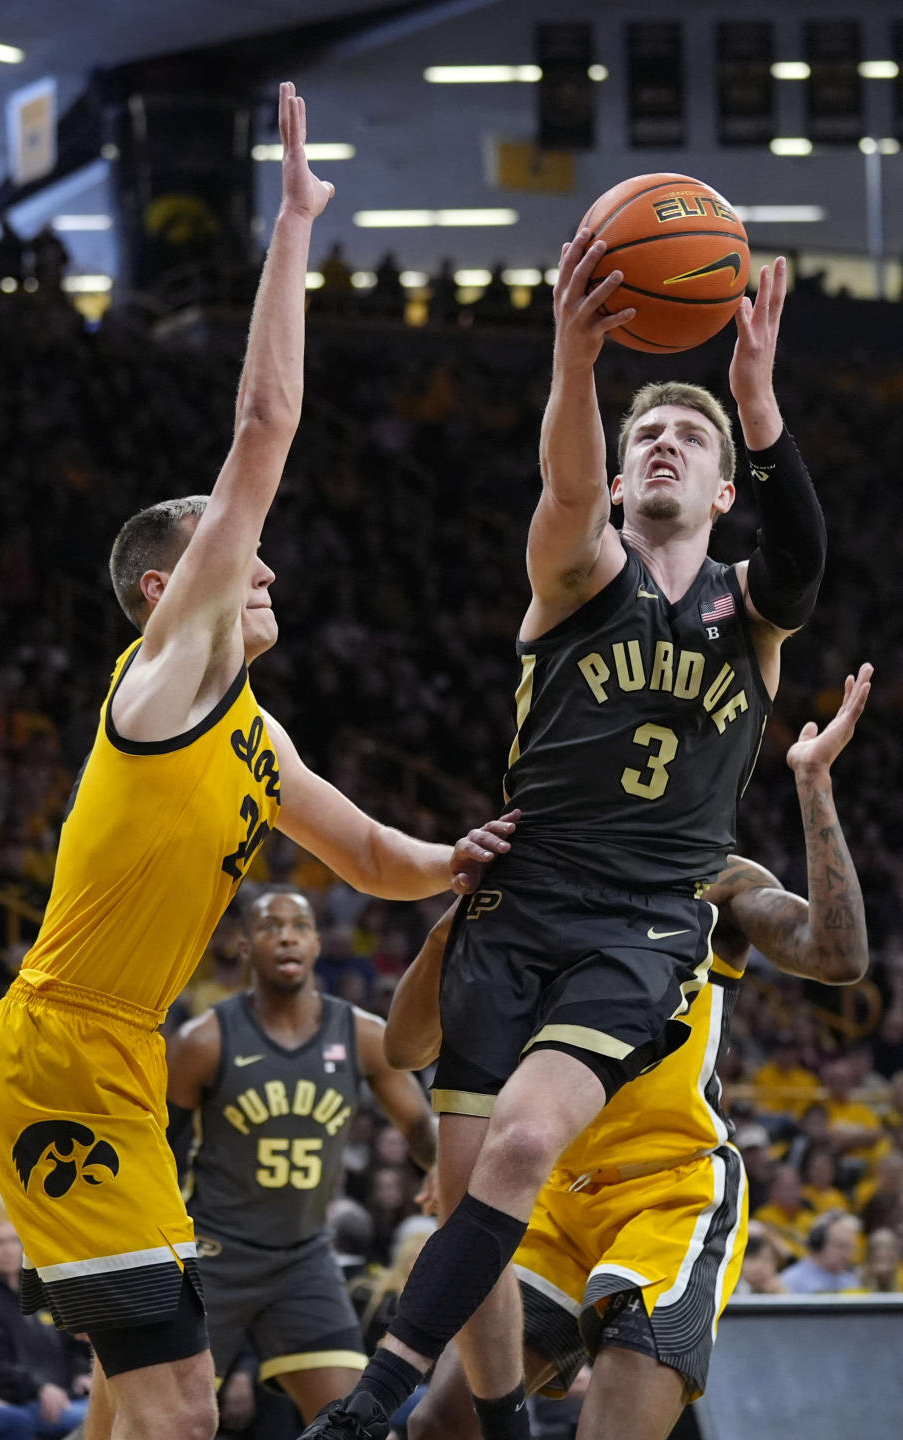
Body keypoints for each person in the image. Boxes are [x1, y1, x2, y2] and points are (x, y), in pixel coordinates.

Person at [0, 84, 514, 1440]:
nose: (261, 561)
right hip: (63, 1050)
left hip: (111, 1055)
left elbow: (378, 860)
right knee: (178, 1409)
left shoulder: (255, 733)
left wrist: (466, 861)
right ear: (167, 588)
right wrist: (292, 229)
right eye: (228, 549)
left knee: (135, 1400)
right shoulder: (162, 679)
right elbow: (265, 424)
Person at [301, 233, 827, 1438]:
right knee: (466, 1175)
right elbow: (569, 489)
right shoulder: (577, 575)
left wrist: (755, 404)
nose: (662, 445)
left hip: (641, 918)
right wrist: (574, 355)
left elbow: (806, 554)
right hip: (521, 896)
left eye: (687, 441)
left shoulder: (748, 617)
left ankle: (371, 1397)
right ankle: (464, 1410)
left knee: (528, 1136)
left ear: (721, 488)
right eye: (649, 430)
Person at [387, 671, 870, 1440]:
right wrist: (460, 906)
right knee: (442, 1424)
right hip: (555, 1194)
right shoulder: (528, 878)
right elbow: (406, 1045)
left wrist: (813, 784)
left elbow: (838, 958)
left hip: (669, 1189)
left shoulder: (720, 881)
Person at [165, 885, 440, 1425]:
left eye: (299, 926)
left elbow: (418, 1126)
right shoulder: (203, 1041)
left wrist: (441, 1167)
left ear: (316, 943)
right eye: (270, 926)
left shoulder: (362, 1034)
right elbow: (159, 1152)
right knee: (165, 1425)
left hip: (303, 1260)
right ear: (244, 946)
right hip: (213, 1259)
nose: (286, 935)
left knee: (355, 1426)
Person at [0, 1216, 92, 1437]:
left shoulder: (39, 1283)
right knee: (104, 1420)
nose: (8, 1250)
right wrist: (39, 1389)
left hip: (70, 1393)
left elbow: (73, 1338)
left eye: (14, 1240)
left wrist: (83, 1372)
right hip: (22, 1402)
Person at [777, 1212, 861, 1294]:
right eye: (841, 1246)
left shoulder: (850, 1280)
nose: (847, 1254)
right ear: (817, 1243)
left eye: (851, 1248)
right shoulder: (790, 1281)